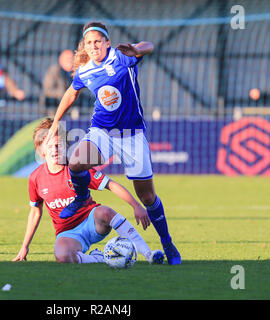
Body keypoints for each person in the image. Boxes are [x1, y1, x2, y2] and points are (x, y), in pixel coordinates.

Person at [45, 22, 181, 265]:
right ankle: (81, 196)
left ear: (107, 42)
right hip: (102, 132)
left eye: (98, 41)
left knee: (147, 197)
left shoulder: (121, 57)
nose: (94, 45)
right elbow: (71, 93)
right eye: (89, 42)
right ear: (85, 46)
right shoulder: (84, 71)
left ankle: (167, 243)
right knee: (76, 164)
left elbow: (149, 47)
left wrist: (137, 48)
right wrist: (56, 121)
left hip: (131, 135)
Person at [12, 118, 164, 264]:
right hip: (68, 232)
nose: (55, 149)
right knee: (63, 257)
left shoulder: (75, 169)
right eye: (50, 146)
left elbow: (111, 185)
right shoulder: (35, 178)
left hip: (92, 222)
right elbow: (35, 212)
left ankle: (149, 254)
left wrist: (136, 206)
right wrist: (24, 246)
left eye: (59, 145)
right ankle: (99, 258)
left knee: (104, 211)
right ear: (41, 151)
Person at [41, 50, 75, 117]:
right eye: (68, 59)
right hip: (53, 108)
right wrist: (66, 94)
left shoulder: (75, 72)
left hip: (70, 108)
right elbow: (47, 90)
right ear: (61, 60)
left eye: (72, 58)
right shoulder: (54, 71)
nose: (70, 61)